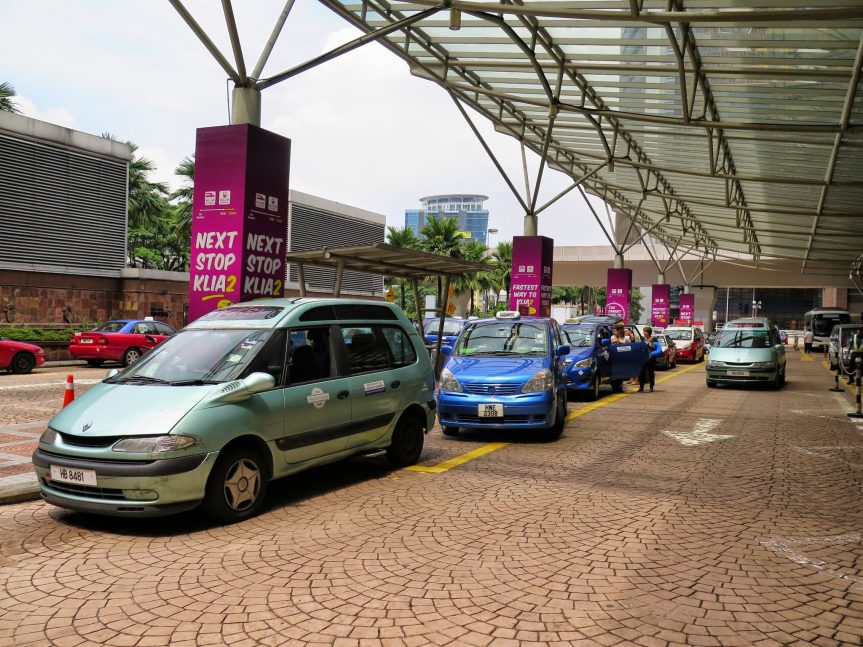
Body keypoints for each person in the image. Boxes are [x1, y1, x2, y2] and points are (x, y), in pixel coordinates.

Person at [639, 326, 657, 392]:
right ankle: (641, 387)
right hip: (643, 357)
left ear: (649, 332)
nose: (644, 333)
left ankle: (651, 387)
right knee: (641, 372)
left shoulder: (653, 338)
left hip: (651, 358)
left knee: (650, 372)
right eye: (644, 331)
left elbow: (656, 347)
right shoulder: (642, 339)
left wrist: (651, 346)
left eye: (645, 331)